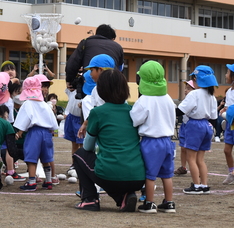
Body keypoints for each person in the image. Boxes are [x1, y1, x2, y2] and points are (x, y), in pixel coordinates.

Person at [73, 68, 145, 212]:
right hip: (138, 176)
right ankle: (123, 196)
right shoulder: (133, 111)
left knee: (79, 155)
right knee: (116, 173)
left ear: (101, 90)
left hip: (109, 174)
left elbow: (87, 147)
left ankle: (90, 199)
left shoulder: (98, 113)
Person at [130, 61, 176, 213]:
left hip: (151, 142)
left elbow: (136, 119)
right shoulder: (168, 98)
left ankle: (149, 203)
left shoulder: (144, 100)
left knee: (150, 175)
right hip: (167, 141)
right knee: (167, 174)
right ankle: (169, 202)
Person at [177, 66, 218, 195]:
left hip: (194, 125)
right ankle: (204, 185)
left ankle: (196, 185)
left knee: (191, 158)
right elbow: (214, 117)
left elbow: (180, 111)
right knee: (200, 159)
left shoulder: (194, 94)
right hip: (206, 126)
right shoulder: (212, 96)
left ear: (196, 78)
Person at [13, 76, 57, 191]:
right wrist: (51, 130)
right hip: (47, 133)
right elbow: (53, 121)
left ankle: (32, 182)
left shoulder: (28, 104)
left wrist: (20, 131)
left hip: (34, 133)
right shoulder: (44, 104)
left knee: (31, 157)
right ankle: (48, 181)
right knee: (46, 157)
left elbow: (25, 119)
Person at [175, 79, 196, 175]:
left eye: (189, 88)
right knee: (183, 148)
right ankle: (183, 167)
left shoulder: (194, 98)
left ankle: (196, 167)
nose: (185, 90)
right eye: (185, 88)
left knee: (192, 149)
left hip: (192, 126)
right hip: (184, 126)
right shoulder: (186, 100)